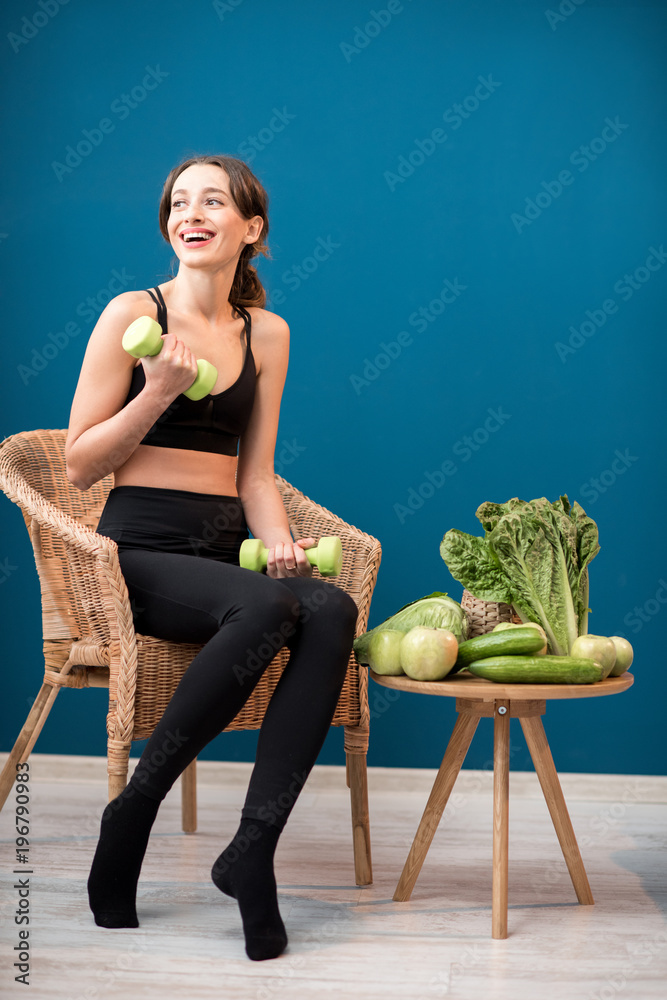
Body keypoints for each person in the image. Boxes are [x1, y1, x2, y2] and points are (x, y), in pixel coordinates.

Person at [65, 153, 358, 962]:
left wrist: (283, 545)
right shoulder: (133, 311)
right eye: (178, 202)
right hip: (137, 551)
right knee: (264, 606)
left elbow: (256, 475)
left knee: (329, 606)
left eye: (212, 201)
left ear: (249, 228)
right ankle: (135, 809)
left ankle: (252, 850)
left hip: (223, 550)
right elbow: (81, 464)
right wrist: (155, 391)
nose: (189, 213)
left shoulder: (267, 332)